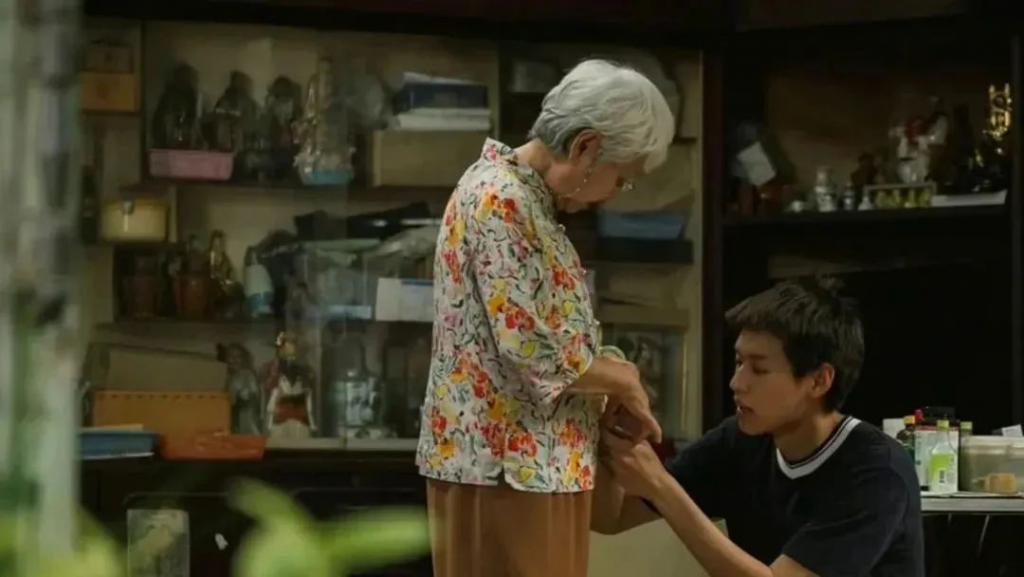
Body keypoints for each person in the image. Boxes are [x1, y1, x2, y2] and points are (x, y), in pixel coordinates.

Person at [416, 59, 675, 577]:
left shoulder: (527, 204)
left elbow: (556, 340)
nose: (613, 195)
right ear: (585, 147)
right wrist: (623, 379)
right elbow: (531, 350)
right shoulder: (500, 200)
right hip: (504, 464)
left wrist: (613, 377)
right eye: (621, 179)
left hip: (536, 463)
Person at [595, 278, 924, 577]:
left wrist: (661, 487)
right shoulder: (739, 441)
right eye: (739, 362)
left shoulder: (877, 471)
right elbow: (611, 518)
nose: (737, 383)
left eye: (759, 369)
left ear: (819, 380)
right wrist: (608, 434)